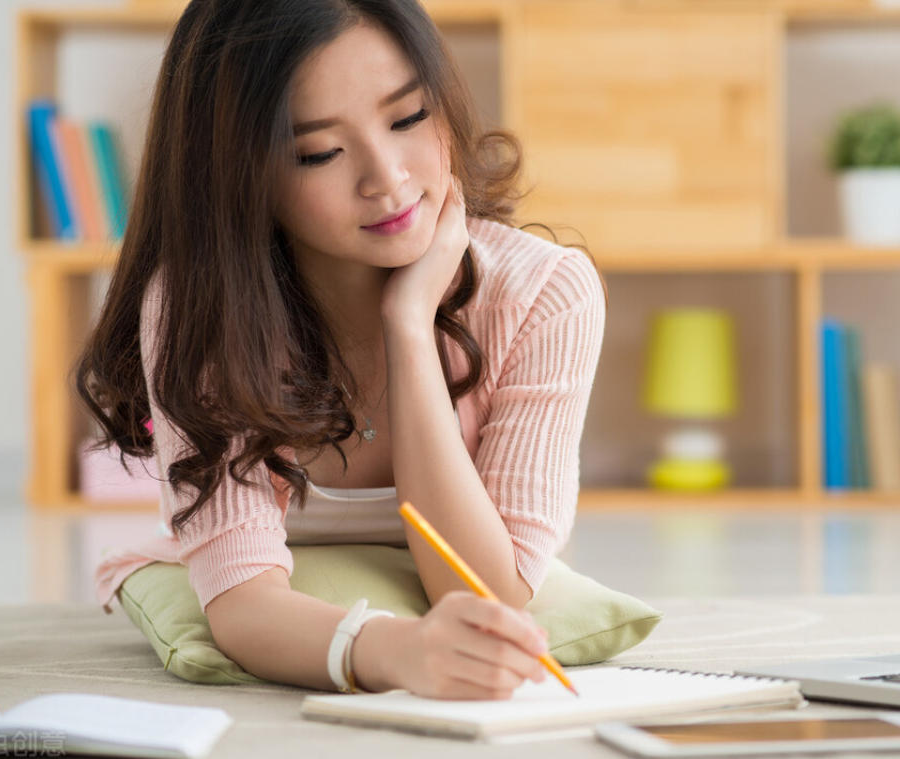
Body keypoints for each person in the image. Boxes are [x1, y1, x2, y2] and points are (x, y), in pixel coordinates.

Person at [77, 0, 605, 700]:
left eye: (409, 117)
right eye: (319, 152)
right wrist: (392, 651)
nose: (386, 178)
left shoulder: (545, 294)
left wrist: (410, 326)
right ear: (241, 175)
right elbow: (241, 599)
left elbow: (488, 592)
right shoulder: (198, 307)